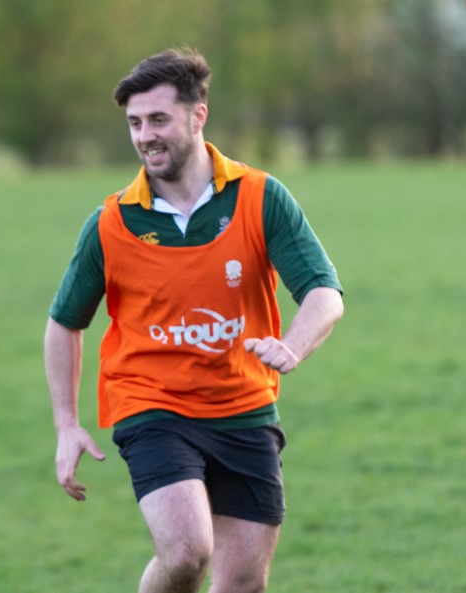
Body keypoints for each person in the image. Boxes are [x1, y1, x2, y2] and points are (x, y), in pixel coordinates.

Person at [44, 47, 344, 593]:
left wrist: (293, 345)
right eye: (134, 123)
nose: (144, 136)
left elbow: (325, 292)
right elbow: (64, 321)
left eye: (158, 119)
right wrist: (66, 424)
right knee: (186, 553)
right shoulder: (112, 222)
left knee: (243, 583)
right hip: (151, 405)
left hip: (244, 407)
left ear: (197, 115)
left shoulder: (259, 197)